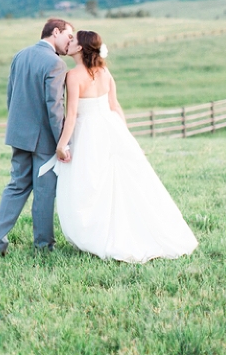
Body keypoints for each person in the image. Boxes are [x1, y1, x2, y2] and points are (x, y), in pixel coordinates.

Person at [43, 30, 198, 263]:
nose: (70, 41)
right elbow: (115, 106)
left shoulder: (73, 76)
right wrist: (125, 136)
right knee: (118, 182)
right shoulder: (105, 72)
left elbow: (72, 115)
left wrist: (61, 146)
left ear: (80, 48)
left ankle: (98, 234)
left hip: (89, 132)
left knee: (91, 182)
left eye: (74, 40)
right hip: (111, 127)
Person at [0, 18, 74, 255]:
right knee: (44, 192)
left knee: (16, 186)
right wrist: (62, 142)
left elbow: (11, 95)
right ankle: (44, 246)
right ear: (55, 32)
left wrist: (17, 126)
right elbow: (54, 107)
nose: (70, 43)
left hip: (18, 134)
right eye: (68, 37)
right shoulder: (55, 64)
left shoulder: (20, 55)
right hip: (44, 139)